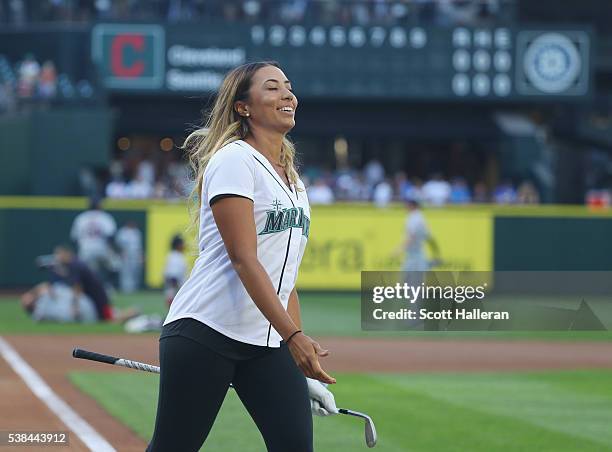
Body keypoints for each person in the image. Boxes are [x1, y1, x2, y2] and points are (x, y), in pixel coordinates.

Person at [147, 61, 337, 452]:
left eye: (288, 86)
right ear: (243, 107)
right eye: (272, 88)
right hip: (206, 331)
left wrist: (302, 369)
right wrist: (295, 337)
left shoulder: (294, 181)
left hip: (266, 343)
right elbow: (243, 258)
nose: (287, 95)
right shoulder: (234, 160)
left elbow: (286, 280)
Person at [23, 245, 114, 322]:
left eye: (59, 254)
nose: (58, 257)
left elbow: (77, 287)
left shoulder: (75, 265)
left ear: (67, 254)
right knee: (108, 318)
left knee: (110, 319)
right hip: (93, 298)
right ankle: (128, 314)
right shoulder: (72, 264)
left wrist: (75, 306)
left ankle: (128, 314)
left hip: (98, 300)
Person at [70, 197, 118, 284]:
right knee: (115, 265)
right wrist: (112, 249)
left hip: (85, 249)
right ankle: (107, 285)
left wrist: (81, 247)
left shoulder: (81, 218)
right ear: (99, 205)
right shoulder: (104, 217)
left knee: (84, 270)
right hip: (102, 248)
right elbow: (111, 236)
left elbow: (74, 238)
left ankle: (84, 288)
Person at [115, 221, 143, 293]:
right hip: (125, 255)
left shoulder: (136, 232)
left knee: (135, 272)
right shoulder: (122, 232)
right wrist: (121, 253)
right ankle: (125, 289)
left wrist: (140, 255)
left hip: (135, 254)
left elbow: (138, 246)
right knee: (125, 273)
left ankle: (134, 289)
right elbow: (119, 245)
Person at [163, 234, 188, 306]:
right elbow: (172, 277)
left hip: (177, 287)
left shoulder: (176, 255)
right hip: (176, 288)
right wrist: (177, 290)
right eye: (182, 243)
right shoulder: (175, 257)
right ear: (178, 245)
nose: (184, 245)